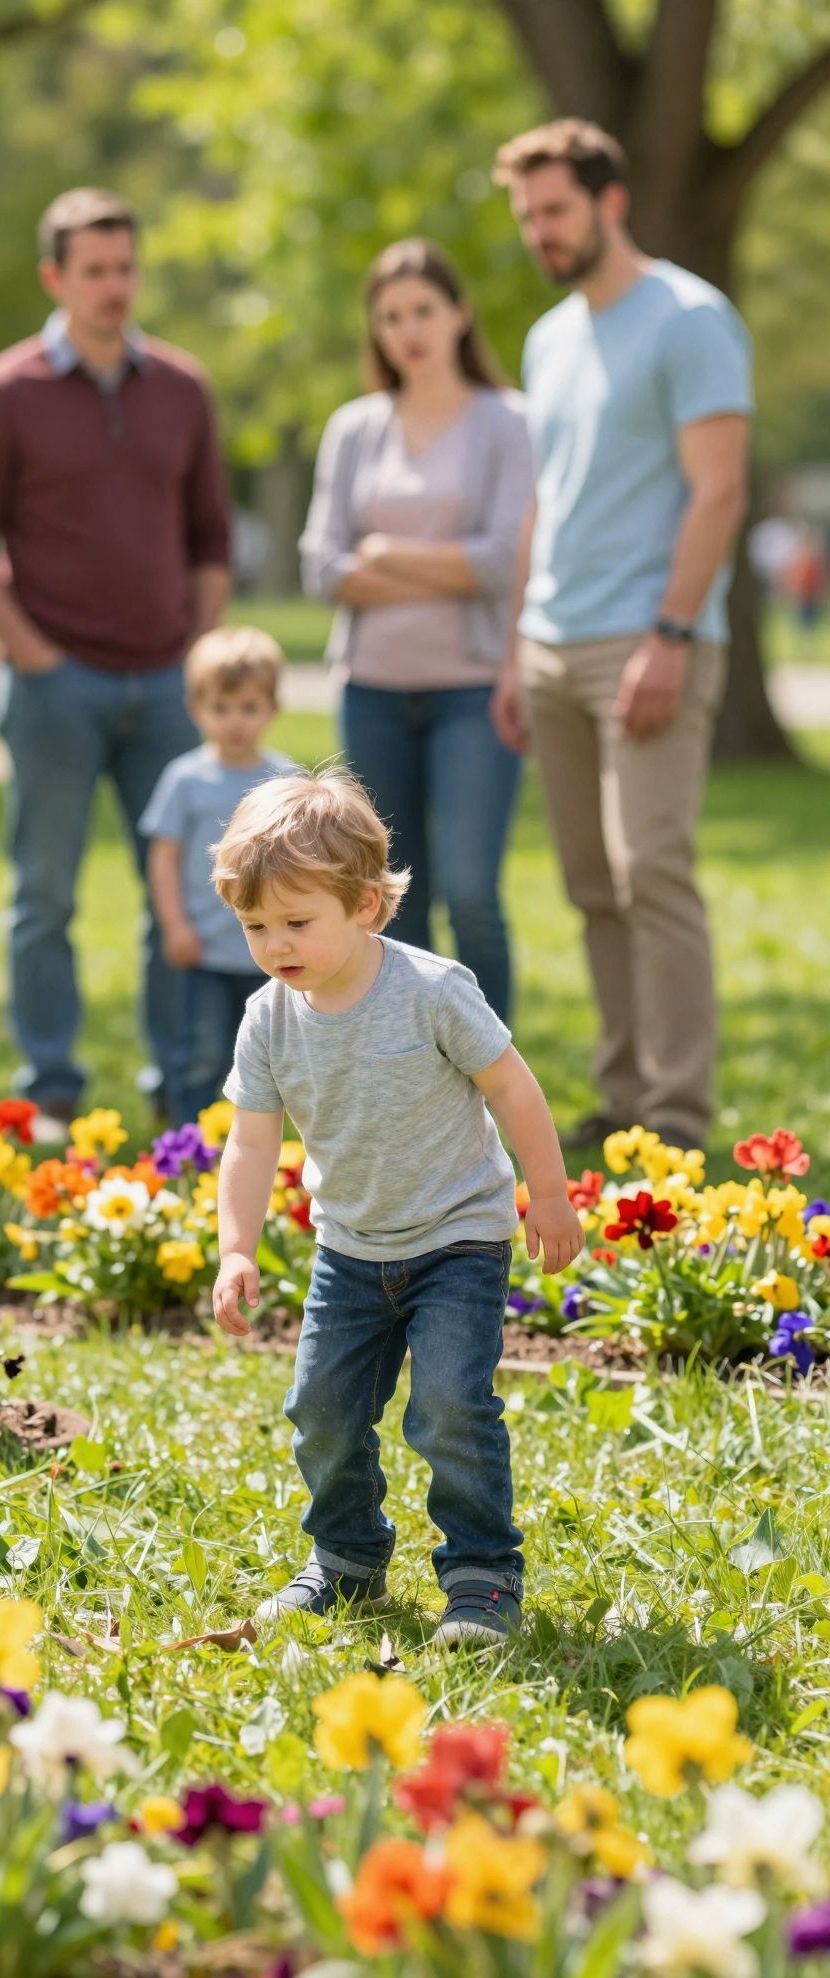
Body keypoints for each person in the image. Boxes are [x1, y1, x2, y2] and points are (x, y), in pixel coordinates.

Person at [210, 770, 584, 1647]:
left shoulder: (431, 990)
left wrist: (549, 1195)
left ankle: (482, 1574)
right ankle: (346, 1559)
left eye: (296, 922)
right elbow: (252, 1143)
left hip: (458, 1239)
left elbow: (512, 1087)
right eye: (255, 926)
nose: (275, 944)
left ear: (367, 905)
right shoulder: (268, 1018)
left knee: (449, 1406)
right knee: (321, 1410)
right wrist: (235, 1248)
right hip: (350, 1248)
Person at [0, 188, 231, 1143]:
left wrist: (200, 653)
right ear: (54, 277)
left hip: (168, 687)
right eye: (94, 270)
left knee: (186, 896)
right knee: (44, 896)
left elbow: (212, 537)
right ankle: (50, 1090)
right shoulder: (4, 391)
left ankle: (184, 1088)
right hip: (53, 689)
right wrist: (33, 654)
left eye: (125, 268)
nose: (114, 287)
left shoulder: (182, 387)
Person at [491, 120, 753, 1151]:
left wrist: (672, 634)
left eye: (555, 210)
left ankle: (678, 1114)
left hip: (645, 639)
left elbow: (719, 490)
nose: (540, 232)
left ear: (611, 201)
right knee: (591, 883)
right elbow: (544, 500)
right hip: (552, 642)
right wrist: (517, 646)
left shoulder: (690, 319)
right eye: (528, 217)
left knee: (653, 871)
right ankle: (625, 1094)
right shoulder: (549, 337)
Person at [300, 239, 533, 1024]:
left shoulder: (507, 422)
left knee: (470, 891)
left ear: (460, 314)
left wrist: (384, 556)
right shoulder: (355, 428)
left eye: (423, 310)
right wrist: (442, 565)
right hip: (371, 691)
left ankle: (493, 1066)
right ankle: (409, 1067)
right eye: (391, 315)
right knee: (391, 898)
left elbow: (501, 562)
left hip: (473, 692)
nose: (409, 330)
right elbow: (321, 567)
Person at [140, 626, 293, 1126]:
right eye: (221, 708)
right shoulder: (185, 779)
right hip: (204, 950)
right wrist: (175, 926)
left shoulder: (284, 781)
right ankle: (191, 1145)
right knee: (202, 1053)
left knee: (272, 1055)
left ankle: (266, 1145)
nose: (235, 722)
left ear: (272, 708)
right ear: (196, 710)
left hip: (272, 950)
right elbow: (164, 858)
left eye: (248, 707)